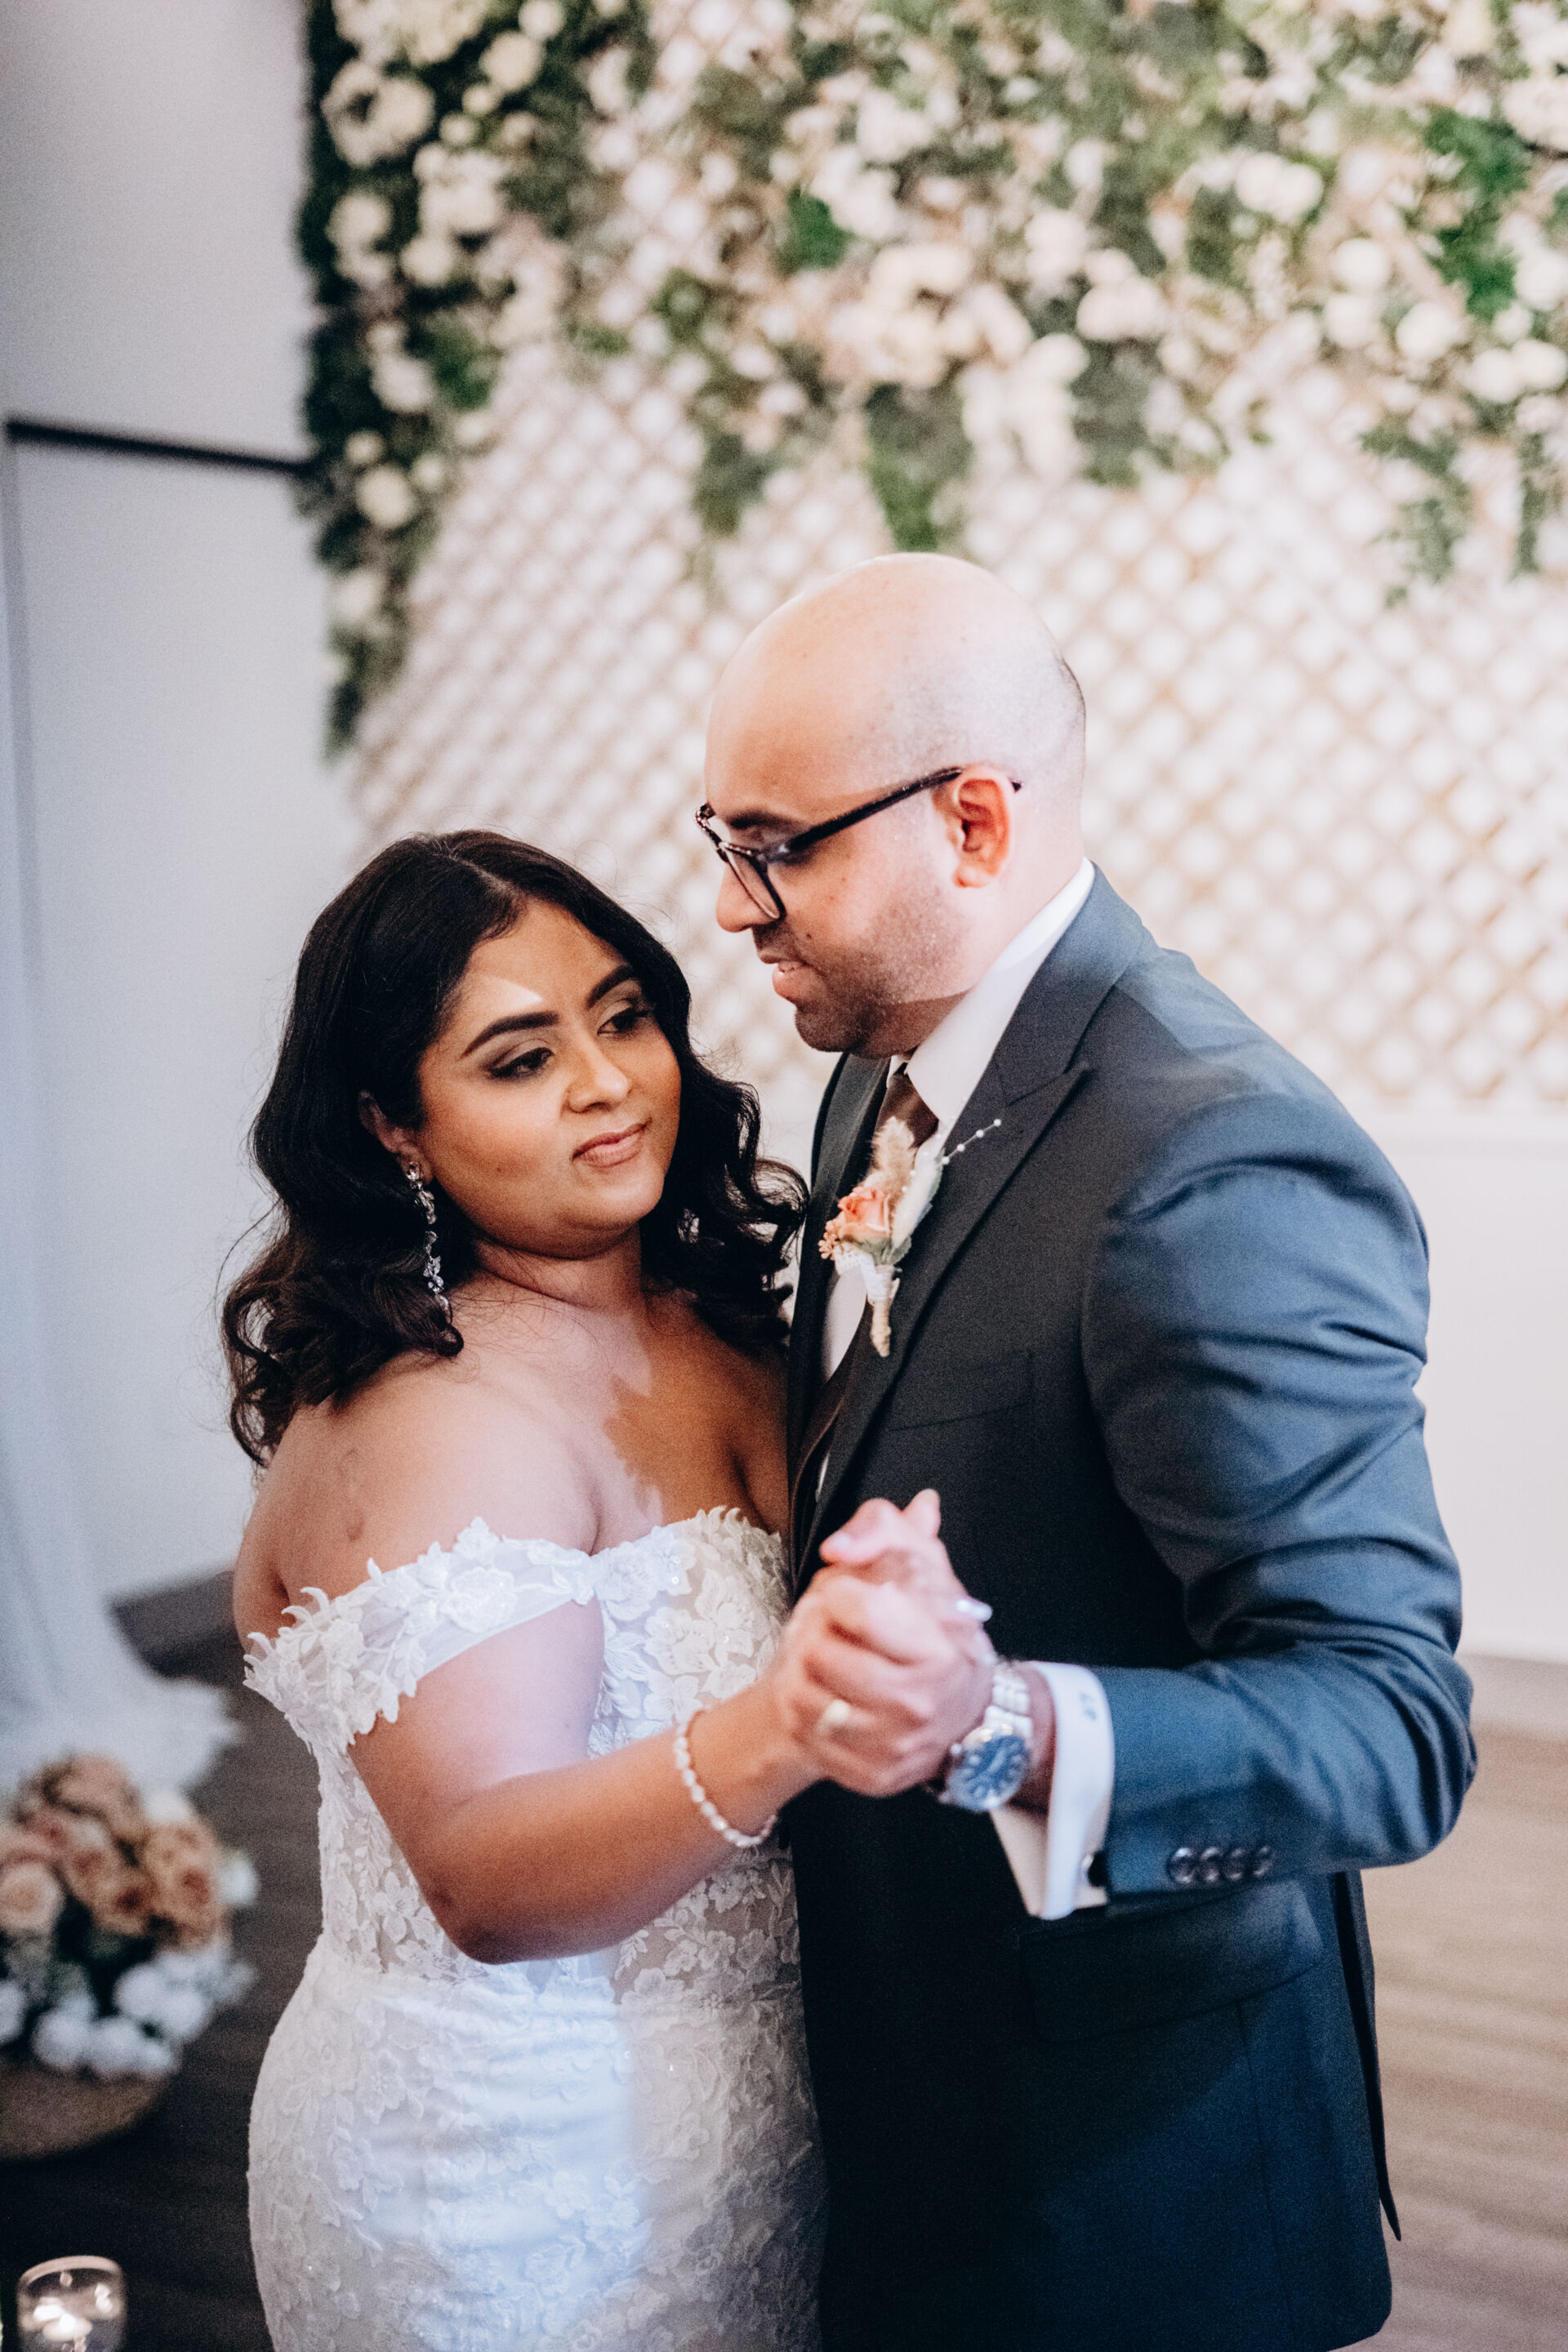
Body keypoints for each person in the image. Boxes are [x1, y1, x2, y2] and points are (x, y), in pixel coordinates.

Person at [697, 555, 1477, 2352]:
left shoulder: (1211, 1160)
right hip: (905, 2082)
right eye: (724, 840)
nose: (733, 906)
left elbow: (1393, 1726)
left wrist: (1003, 1725)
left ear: (971, 824)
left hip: (1124, 2161)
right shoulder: (878, 1068)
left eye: (776, 846)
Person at [226, 832, 885, 2350]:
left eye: (624, 1017)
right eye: (522, 1060)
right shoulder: (433, 1415)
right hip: (510, 2183)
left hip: (766, 2131)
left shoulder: (727, 1325)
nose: (607, 1083)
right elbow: (485, 1878)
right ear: (395, 1126)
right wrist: (792, 1719)